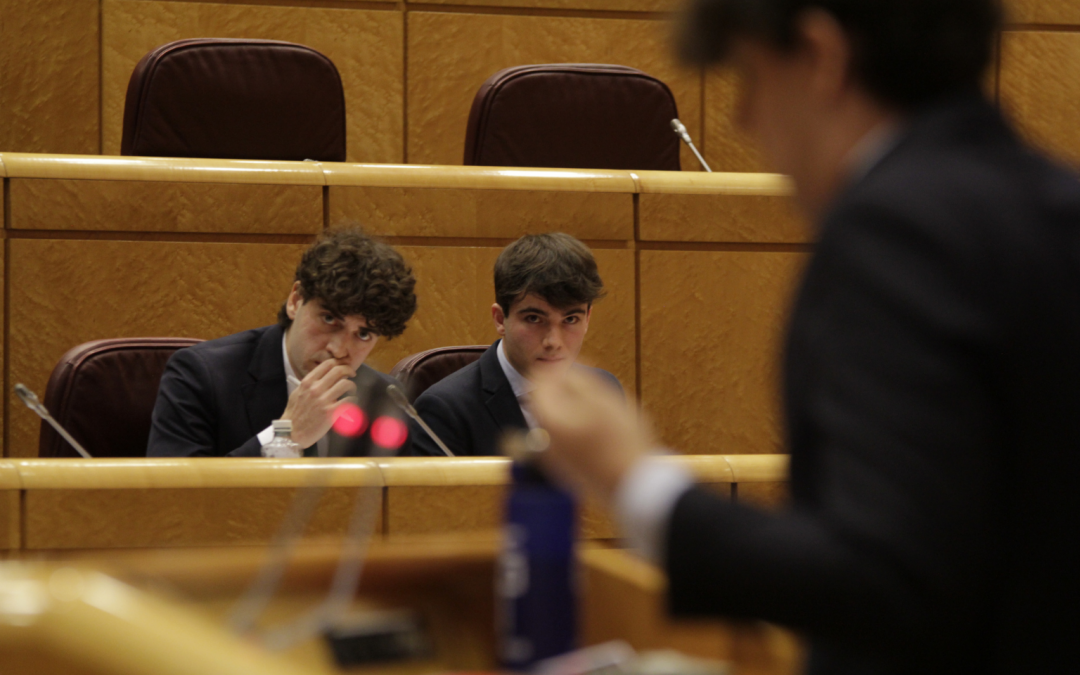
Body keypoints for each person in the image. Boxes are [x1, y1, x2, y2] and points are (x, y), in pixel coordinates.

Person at [531, 1, 1080, 674]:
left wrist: (635, 478)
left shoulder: (894, 230)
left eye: (752, 77)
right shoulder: (1058, 204)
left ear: (821, 56)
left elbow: (889, 579)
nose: (742, 117)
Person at [148, 228, 417, 457]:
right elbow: (176, 503)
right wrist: (286, 436)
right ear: (295, 300)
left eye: (363, 334)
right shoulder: (200, 375)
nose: (338, 349)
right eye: (329, 318)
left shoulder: (384, 397)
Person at [408, 232, 620, 457]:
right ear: (500, 319)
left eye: (570, 320)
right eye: (534, 319)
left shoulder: (603, 393)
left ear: (587, 318)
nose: (553, 342)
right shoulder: (445, 410)